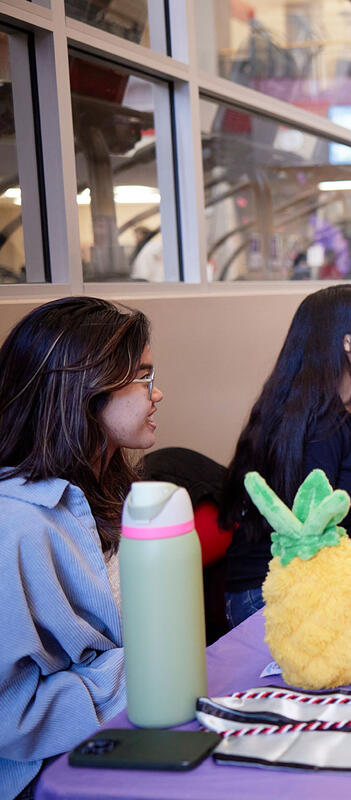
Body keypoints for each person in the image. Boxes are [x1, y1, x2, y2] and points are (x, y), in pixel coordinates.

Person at [0, 297, 162, 800]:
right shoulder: (19, 525)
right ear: (84, 392)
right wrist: (143, 670)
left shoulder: (107, 486)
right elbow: (11, 716)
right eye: (144, 377)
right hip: (48, 773)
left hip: (126, 723)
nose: (159, 394)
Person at [220, 285, 351, 627]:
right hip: (268, 590)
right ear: (346, 340)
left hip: (323, 569)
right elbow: (308, 543)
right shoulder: (317, 429)